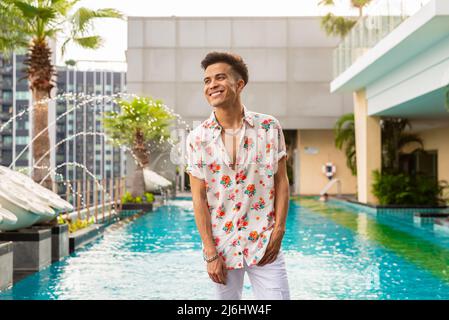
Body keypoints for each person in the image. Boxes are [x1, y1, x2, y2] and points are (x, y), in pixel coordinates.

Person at [186, 51, 290, 300]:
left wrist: (278, 231)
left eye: (219, 78)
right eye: (207, 80)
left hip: (265, 243)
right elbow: (199, 198)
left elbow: (281, 182)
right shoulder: (197, 138)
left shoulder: (269, 127)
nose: (211, 85)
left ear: (239, 84)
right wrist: (210, 252)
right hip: (221, 247)